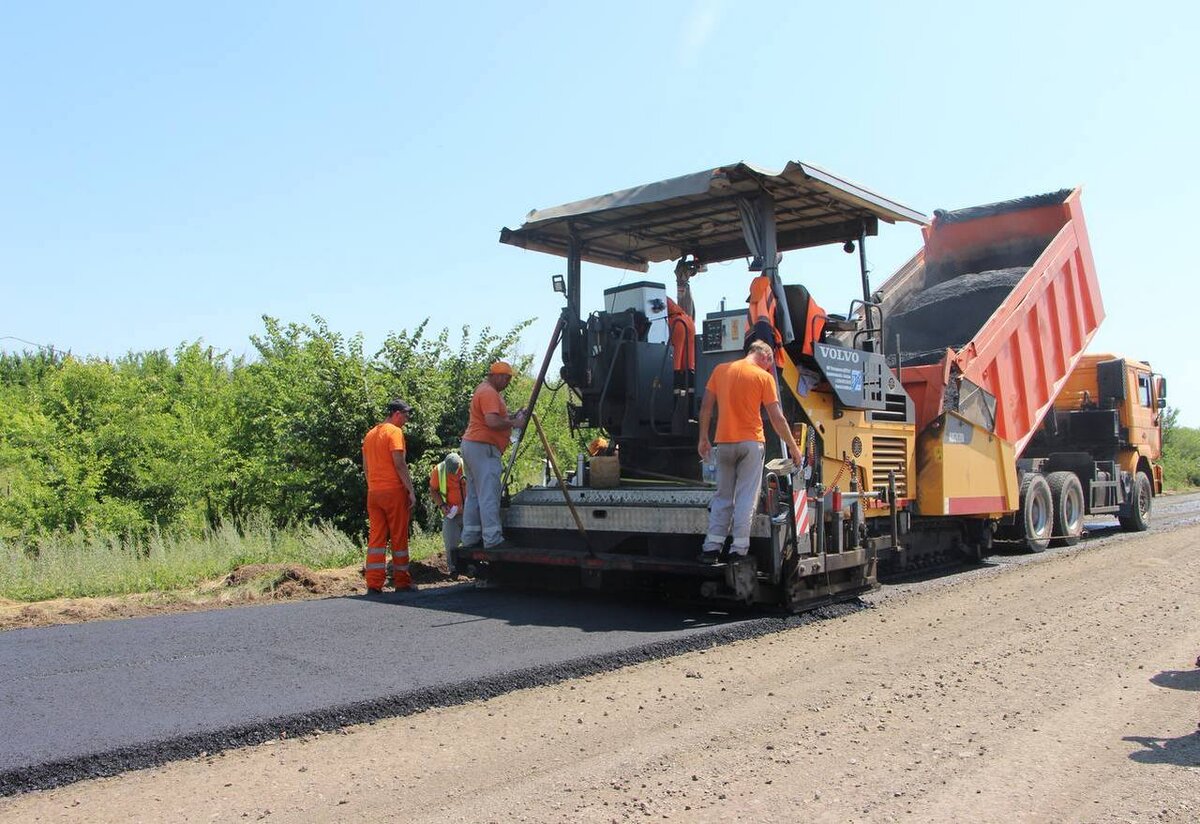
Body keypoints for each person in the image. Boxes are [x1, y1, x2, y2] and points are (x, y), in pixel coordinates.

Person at [697, 340, 803, 563]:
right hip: (751, 444)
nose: (768, 368)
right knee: (746, 496)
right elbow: (776, 417)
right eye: (770, 363)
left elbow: (706, 406)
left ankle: (712, 547)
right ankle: (738, 549)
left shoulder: (721, 370)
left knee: (723, 496)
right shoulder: (763, 377)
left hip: (724, 443)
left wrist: (703, 438)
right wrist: (793, 447)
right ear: (765, 356)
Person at [460, 361, 527, 550]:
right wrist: (515, 423)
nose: (507, 383)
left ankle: (471, 537)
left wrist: (513, 416)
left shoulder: (483, 390)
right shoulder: (489, 393)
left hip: (472, 445)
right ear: (497, 376)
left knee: (473, 495)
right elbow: (491, 421)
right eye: (506, 379)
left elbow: (494, 418)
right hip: (483, 447)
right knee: (489, 494)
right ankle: (493, 539)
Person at [361, 398, 416, 593]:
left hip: (374, 493)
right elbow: (399, 463)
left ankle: (373, 583)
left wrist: (373, 487)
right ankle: (402, 581)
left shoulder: (369, 435)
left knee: (376, 539)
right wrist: (410, 490)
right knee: (399, 536)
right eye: (406, 415)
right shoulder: (394, 432)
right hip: (393, 491)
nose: (407, 419)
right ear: (397, 414)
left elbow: (366, 468)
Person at [429, 452, 466, 575]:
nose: (454, 474)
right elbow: (433, 490)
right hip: (451, 514)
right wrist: (442, 505)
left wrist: (467, 507)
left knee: (472, 540)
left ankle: (473, 567)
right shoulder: (438, 471)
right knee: (450, 540)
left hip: (470, 512)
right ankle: (454, 569)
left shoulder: (468, 466)